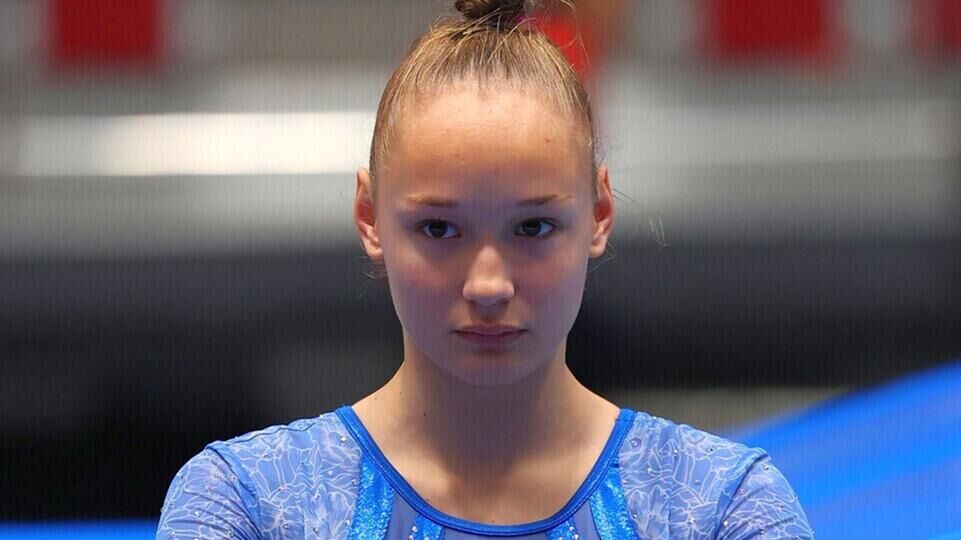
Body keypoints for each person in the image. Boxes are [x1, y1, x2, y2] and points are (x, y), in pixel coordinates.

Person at [156, 1, 814, 538]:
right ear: (369, 217)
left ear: (599, 214)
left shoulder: (721, 507)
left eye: (533, 228)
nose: (489, 285)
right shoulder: (246, 505)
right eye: (438, 229)